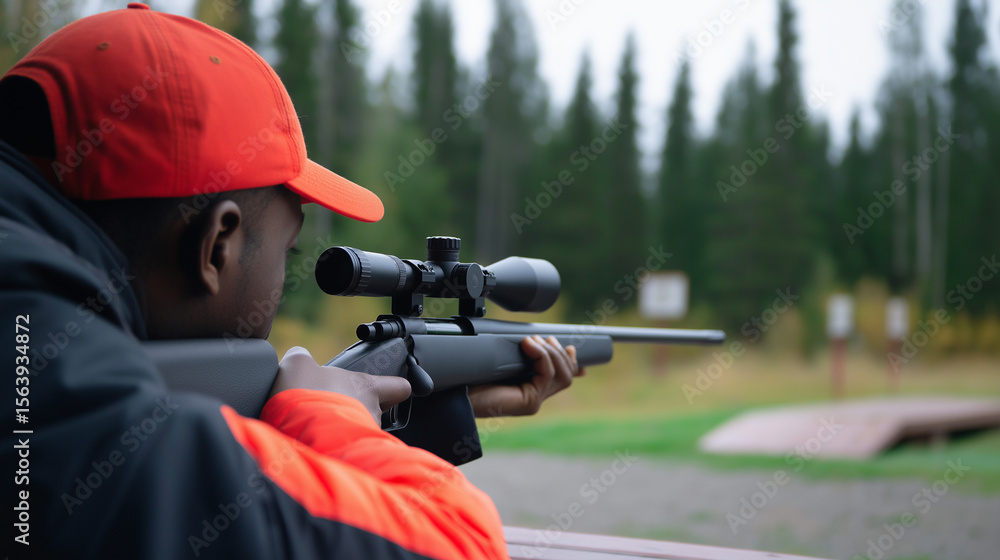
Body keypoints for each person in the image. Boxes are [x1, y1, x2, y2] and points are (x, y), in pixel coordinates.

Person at [0, 4, 582, 558]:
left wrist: (421, 421)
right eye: (289, 248)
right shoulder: (48, 396)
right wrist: (324, 419)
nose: (284, 275)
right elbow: (460, 546)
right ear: (216, 246)